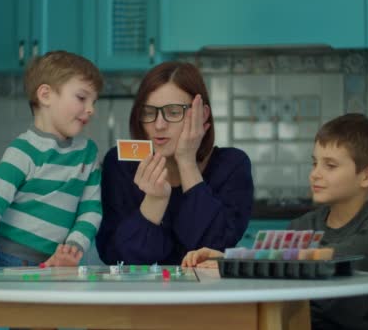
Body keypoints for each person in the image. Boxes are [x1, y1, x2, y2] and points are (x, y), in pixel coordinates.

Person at [183, 113, 368, 330]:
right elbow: (270, 272)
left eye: (330, 165)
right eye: (314, 163)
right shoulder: (302, 226)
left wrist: (237, 258)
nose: (315, 174)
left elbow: (335, 258)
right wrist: (226, 261)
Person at [96, 61, 254, 265]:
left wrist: (187, 162)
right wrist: (155, 201)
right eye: (149, 112)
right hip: (139, 295)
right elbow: (117, 259)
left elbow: (214, 250)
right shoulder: (120, 164)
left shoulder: (232, 165)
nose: (159, 125)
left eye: (173, 112)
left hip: (206, 294)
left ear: (202, 114)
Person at [0, 51, 104, 268]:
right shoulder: (23, 152)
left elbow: (91, 211)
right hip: (7, 261)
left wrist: (72, 248)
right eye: (82, 97)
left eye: (94, 101)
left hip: (54, 265)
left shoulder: (88, 154)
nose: (91, 109)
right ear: (45, 95)